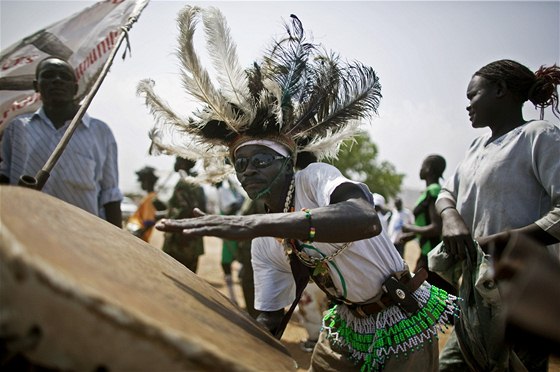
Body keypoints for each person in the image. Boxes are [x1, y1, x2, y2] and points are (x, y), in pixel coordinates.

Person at [137, 7, 459, 370]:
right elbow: (269, 321)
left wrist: (251, 225)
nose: (248, 172)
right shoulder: (263, 245)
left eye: (260, 161)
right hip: (344, 329)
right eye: (240, 164)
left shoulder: (316, 179)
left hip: (402, 319)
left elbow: (365, 218)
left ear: (287, 162)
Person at [432, 60, 560, 371]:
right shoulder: (476, 146)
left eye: (472, 95)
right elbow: (446, 194)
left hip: (522, 293)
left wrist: (507, 241)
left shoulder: (538, 135)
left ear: (500, 90)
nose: (467, 106)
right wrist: (451, 218)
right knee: (451, 365)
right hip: (475, 291)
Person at [0, 56, 122, 227]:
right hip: (25, 231)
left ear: (75, 88)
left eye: (64, 76)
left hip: (84, 236)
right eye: (49, 75)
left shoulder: (101, 132)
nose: (57, 80)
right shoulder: (17, 128)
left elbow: (110, 194)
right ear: (37, 85)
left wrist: (116, 247)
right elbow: (4, 179)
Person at [400, 155, 458, 295]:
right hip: (427, 252)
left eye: (422, 166)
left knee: (419, 293)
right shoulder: (429, 192)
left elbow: (435, 228)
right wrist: (410, 235)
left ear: (428, 169)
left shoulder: (433, 191)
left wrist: (409, 228)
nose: (419, 169)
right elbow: (426, 224)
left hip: (433, 256)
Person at [161, 157, 207, 272]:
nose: (175, 164)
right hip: (193, 240)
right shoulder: (197, 184)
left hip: (180, 242)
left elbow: (182, 210)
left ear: (182, 163)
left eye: (176, 161)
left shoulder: (183, 183)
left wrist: (169, 225)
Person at [216, 177, 245, 305]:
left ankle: (235, 296)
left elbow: (232, 206)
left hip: (232, 230)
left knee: (232, 262)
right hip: (230, 230)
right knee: (227, 263)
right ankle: (233, 296)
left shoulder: (226, 191)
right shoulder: (225, 191)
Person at [126, 166, 165, 242]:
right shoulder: (150, 197)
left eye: (142, 181)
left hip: (142, 238)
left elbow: (149, 221)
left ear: (146, 181)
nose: (141, 184)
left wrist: (139, 233)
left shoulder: (150, 198)